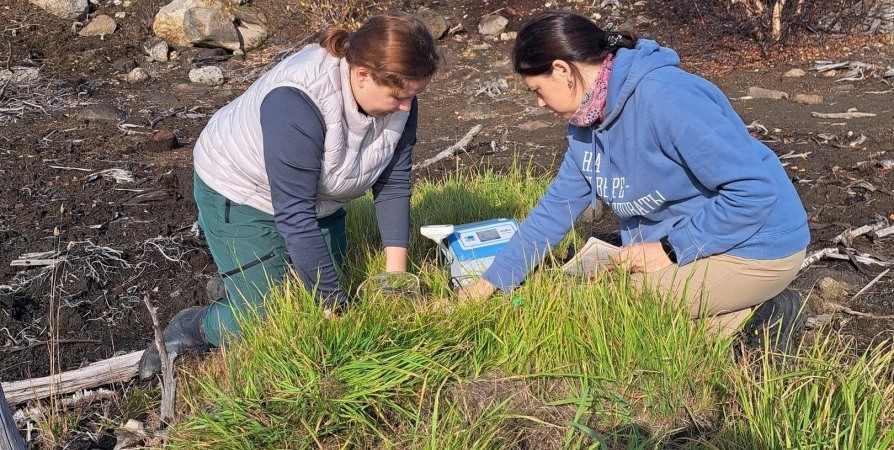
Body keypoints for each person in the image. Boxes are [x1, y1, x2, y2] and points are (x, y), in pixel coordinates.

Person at [458, 11, 810, 353]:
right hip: (694, 245)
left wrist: (669, 248)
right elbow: (554, 210)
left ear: (563, 71)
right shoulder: (584, 123)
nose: (538, 103)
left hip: (757, 247)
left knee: (611, 309)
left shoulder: (666, 98)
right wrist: (492, 282)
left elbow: (754, 191)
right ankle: (732, 318)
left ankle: (767, 310)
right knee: (618, 318)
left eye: (537, 89)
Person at [138, 14, 441, 379]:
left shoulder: (400, 98)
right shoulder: (297, 102)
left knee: (321, 283)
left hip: (318, 197)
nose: (408, 107)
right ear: (363, 75)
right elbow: (294, 215)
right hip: (243, 192)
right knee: (267, 318)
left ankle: (241, 278)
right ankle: (193, 326)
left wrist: (396, 279)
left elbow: (392, 183)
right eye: (399, 96)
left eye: (413, 95)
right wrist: (336, 312)